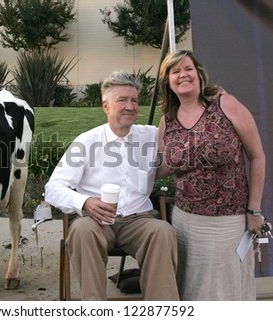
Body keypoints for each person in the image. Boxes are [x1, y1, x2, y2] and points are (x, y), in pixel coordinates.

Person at [45, 70, 179, 300]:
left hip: (138, 219)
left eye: (134, 100)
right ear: (106, 106)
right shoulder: (87, 142)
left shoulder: (150, 136)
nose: (130, 106)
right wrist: (85, 202)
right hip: (97, 220)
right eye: (122, 100)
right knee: (81, 231)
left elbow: (177, 149)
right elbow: (53, 187)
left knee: (162, 231)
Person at [157, 49, 266, 300]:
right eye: (175, 71)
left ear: (199, 74)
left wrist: (255, 210)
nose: (182, 75)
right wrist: (128, 171)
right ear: (168, 82)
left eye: (188, 69)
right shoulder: (167, 120)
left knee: (225, 288)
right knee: (192, 287)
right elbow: (165, 167)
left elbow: (258, 156)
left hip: (228, 219)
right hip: (185, 222)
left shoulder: (224, 104)